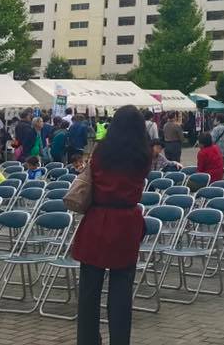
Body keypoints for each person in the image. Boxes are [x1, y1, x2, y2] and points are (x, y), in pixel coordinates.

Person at [71, 105, 152, 345]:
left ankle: (87, 340)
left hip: (97, 219)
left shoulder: (100, 152)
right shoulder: (143, 154)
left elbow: (92, 178)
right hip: (126, 222)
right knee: (121, 291)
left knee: (89, 291)